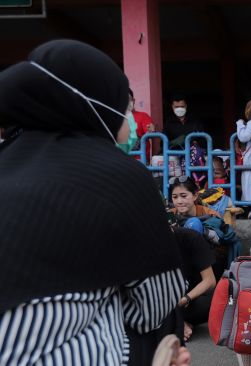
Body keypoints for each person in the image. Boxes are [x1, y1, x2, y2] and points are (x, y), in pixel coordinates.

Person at [0, 40, 186, 365]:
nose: (130, 120)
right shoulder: (120, 174)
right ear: (98, 106)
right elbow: (156, 306)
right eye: (126, 107)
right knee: (164, 319)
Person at [172, 226, 217, 343]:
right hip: (164, 303)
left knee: (215, 299)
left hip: (190, 298)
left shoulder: (191, 238)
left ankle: (174, 324)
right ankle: (178, 323)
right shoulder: (147, 244)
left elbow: (210, 280)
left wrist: (186, 298)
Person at [129, 88, 155, 162]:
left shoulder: (143, 116)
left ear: (133, 101)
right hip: (120, 159)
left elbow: (150, 132)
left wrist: (151, 131)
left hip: (139, 160)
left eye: (129, 99)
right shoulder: (115, 118)